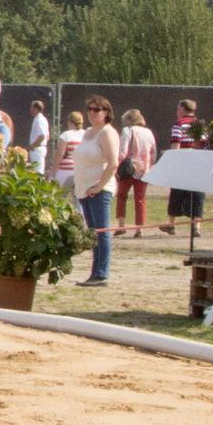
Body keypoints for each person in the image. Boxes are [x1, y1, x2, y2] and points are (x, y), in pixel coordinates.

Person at [75, 96, 120, 287]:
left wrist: (99, 186)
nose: (92, 113)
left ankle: (101, 274)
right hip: (84, 189)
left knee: (102, 231)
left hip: (99, 190)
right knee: (93, 234)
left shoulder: (107, 133)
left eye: (97, 110)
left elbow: (113, 163)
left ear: (106, 112)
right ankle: (95, 273)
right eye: (90, 109)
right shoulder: (88, 132)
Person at [163, 100, 204, 238]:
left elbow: (176, 146)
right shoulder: (200, 124)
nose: (177, 111)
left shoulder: (179, 125)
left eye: (178, 108)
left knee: (176, 192)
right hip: (197, 163)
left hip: (183, 163)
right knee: (197, 193)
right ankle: (197, 226)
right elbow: (204, 144)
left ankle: (171, 224)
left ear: (182, 109)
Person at [114, 109, 157, 238]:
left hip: (128, 169)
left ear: (129, 120)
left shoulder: (127, 130)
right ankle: (139, 229)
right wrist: (149, 165)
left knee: (122, 196)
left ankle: (121, 225)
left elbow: (123, 151)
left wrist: (116, 166)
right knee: (140, 199)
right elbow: (153, 153)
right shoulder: (148, 132)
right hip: (144, 170)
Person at [50, 111, 85, 189]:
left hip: (65, 171)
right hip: (81, 170)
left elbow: (60, 154)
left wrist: (53, 171)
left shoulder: (66, 135)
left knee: (60, 194)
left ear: (70, 122)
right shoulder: (86, 134)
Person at [26, 100, 49, 174]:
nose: (30, 109)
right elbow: (47, 136)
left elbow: (42, 136)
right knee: (35, 172)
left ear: (36, 109)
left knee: (38, 172)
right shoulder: (40, 119)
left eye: (32, 107)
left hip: (37, 150)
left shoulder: (40, 120)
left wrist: (33, 145)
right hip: (38, 149)